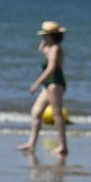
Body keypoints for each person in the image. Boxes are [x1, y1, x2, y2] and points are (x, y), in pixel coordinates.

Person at [19, 20, 69, 156]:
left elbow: (51, 68)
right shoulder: (49, 48)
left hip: (55, 83)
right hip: (48, 84)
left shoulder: (56, 49)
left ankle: (63, 146)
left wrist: (37, 83)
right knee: (35, 112)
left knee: (57, 114)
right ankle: (31, 143)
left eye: (45, 35)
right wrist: (45, 38)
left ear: (52, 36)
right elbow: (40, 49)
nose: (43, 38)